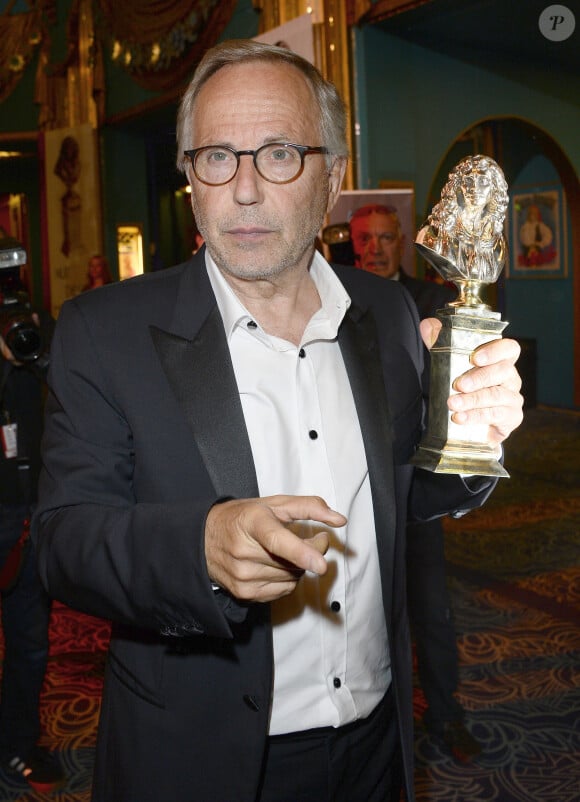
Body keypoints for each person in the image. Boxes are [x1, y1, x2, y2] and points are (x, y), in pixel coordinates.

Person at [33, 40, 523, 802]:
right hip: (200, 758)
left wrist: (471, 442)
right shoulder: (104, 330)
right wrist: (198, 547)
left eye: (280, 153)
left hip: (376, 744)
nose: (247, 189)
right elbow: (64, 540)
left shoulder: (389, 312)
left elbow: (402, 493)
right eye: (217, 158)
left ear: (331, 176)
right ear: (191, 178)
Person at [350, 203, 483, 761]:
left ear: (401, 241)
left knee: (430, 607)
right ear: (351, 242)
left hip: (417, 484)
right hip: (353, 486)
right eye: (366, 238)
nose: (377, 247)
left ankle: (446, 716)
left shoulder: (432, 302)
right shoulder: (336, 298)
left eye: (386, 237)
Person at [0, 269, 63, 792]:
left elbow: (69, 390)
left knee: (30, 644)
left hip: (27, 515)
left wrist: (38, 351)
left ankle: (19, 744)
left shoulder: (33, 325)